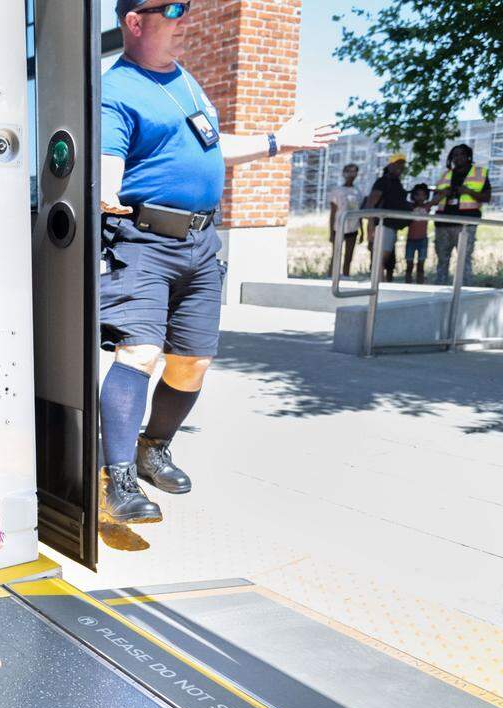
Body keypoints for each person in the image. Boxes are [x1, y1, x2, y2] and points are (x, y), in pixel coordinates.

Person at [98, 0, 338, 523]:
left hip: (202, 245)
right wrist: (104, 187)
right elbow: (108, 159)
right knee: (138, 353)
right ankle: (115, 478)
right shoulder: (115, 90)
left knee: (192, 362)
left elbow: (210, 146)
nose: (185, 16)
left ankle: (151, 447)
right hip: (144, 242)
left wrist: (277, 142)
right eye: (173, 8)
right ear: (135, 22)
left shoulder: (185, 82)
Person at [432, 143, 490, 285]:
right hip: (443, 223)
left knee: (464, 260)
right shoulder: (445, 175)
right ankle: (440, 291)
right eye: (454, 155)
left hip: (466, 224)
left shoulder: (479, 173)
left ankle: (464, 291)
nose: (458, 158)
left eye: (461, 154)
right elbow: (434, 198)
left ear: (468, 156)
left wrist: (469, 192)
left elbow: (487, 198)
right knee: (442, 260)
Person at [363, 153, 411, 284]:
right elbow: (370, 206)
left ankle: (380, 285)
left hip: (391, 227)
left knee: (385, 260)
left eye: (402, 164)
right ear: (389, 165)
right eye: (396, 163)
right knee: (379, 259)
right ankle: (378, 286)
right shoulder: (382, 181)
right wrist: (371, 230)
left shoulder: (396, 183)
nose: (400, 167)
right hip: (382, 226)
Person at [329, 163, 363, 277]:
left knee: (349, 256)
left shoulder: (358, 191)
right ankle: (331, 277)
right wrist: (331, 232)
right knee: (336, 255)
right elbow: (333, 212)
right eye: (349, 171)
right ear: (344, 173)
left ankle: (346, 277)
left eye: (354, 171)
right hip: (339, 227)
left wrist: (362, 230)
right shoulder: (337, 191)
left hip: (353, 228)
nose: (351, 174)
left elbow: (360, 212)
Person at [404, 183, 435, 284]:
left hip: (422, 239)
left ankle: (420, 284)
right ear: (413, 195)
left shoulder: (427, 207)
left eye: (423, 195)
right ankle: (408, 285)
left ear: (426, 196)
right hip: (410, 239)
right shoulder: (409, 207)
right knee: (409, 265)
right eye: (417, 194)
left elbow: (436, 199)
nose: (420, 197)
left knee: (421, 265)